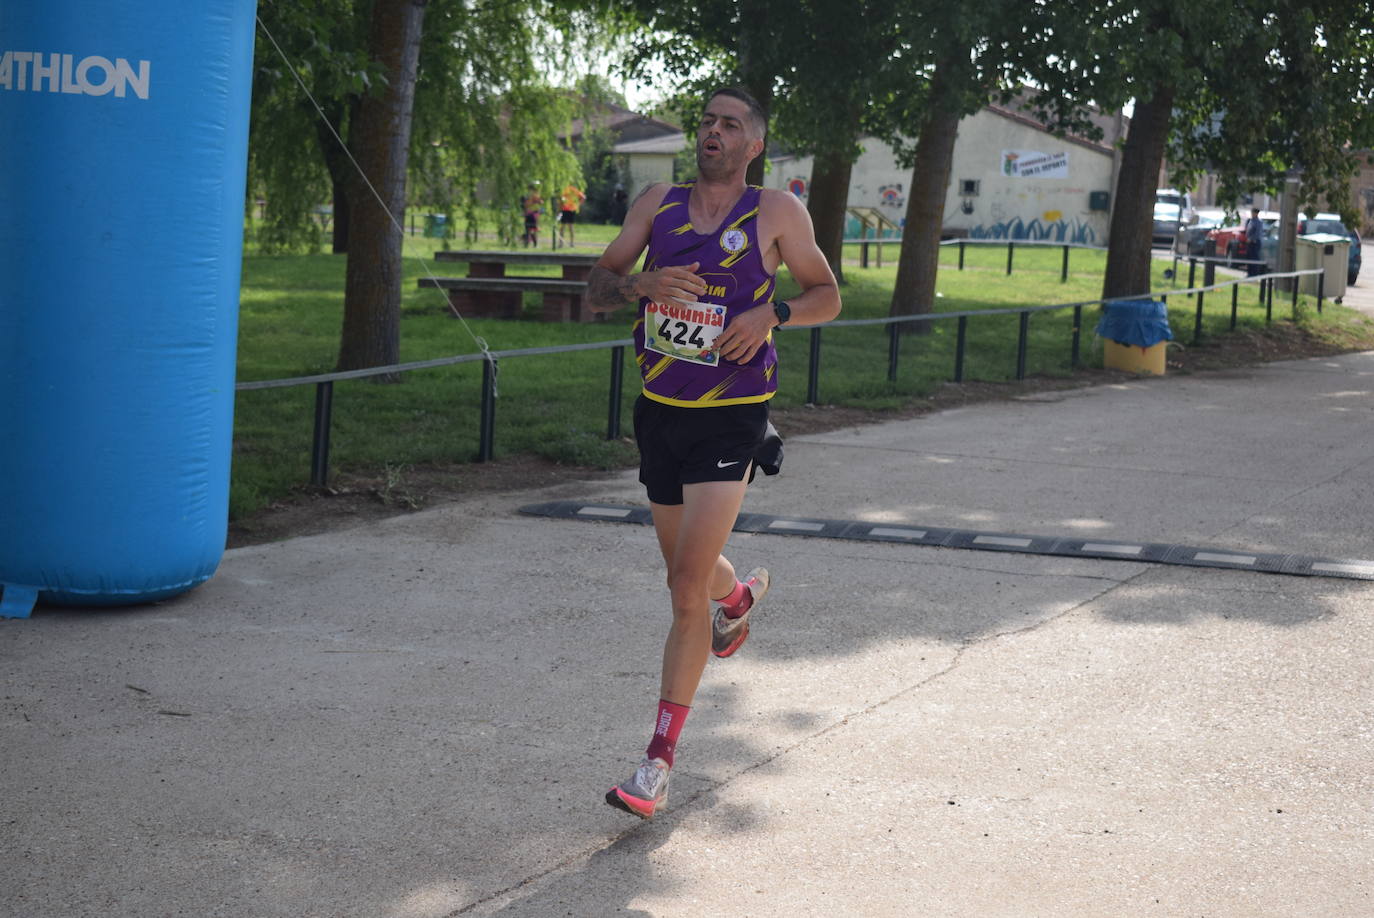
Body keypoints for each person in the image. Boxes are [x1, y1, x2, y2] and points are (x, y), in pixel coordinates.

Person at [584, 87, 841, 820]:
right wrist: (641, 282)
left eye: (730, 125)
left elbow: (828, 294)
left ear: (754, 144)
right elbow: (598, 287)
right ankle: (736, 599)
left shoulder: (776, 213)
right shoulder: (655, 203)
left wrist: (773, 312)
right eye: (707, 123)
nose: (714, 133)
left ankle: (655, 764)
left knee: (680, 586)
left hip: (732, 417)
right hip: (659, 412)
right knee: (687, 574)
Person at [558, 182, 586, 248]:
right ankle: (571, 243)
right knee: (570, 227)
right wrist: (578, 205)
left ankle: (561, 243)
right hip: (571, 209)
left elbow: (561, 200)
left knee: (563, 227)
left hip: (566, 209)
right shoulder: (575, 190)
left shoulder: (565, 189)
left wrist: (559, 209)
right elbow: (583, 197)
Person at [1244, 207, 1265, 276]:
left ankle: (1254, 273)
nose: (1252, 214)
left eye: (1253, 213)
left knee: (1254, 258)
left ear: (1256, 213)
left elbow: (1257, 233)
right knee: (1249, 257)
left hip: (1255, 243)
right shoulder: (1250, 221)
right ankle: (1249, 272)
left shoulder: (1259, 222)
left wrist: (1252, 239)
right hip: (1249, 243)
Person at [521, 182, 543, 248]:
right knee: (530, 229)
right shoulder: (531, 195)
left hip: (531, 214)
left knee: (530, 229)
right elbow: (540, 202)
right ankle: (530, 244)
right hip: (531, 214)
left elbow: (540, 202)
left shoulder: (532, 195)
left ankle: (530, 244)